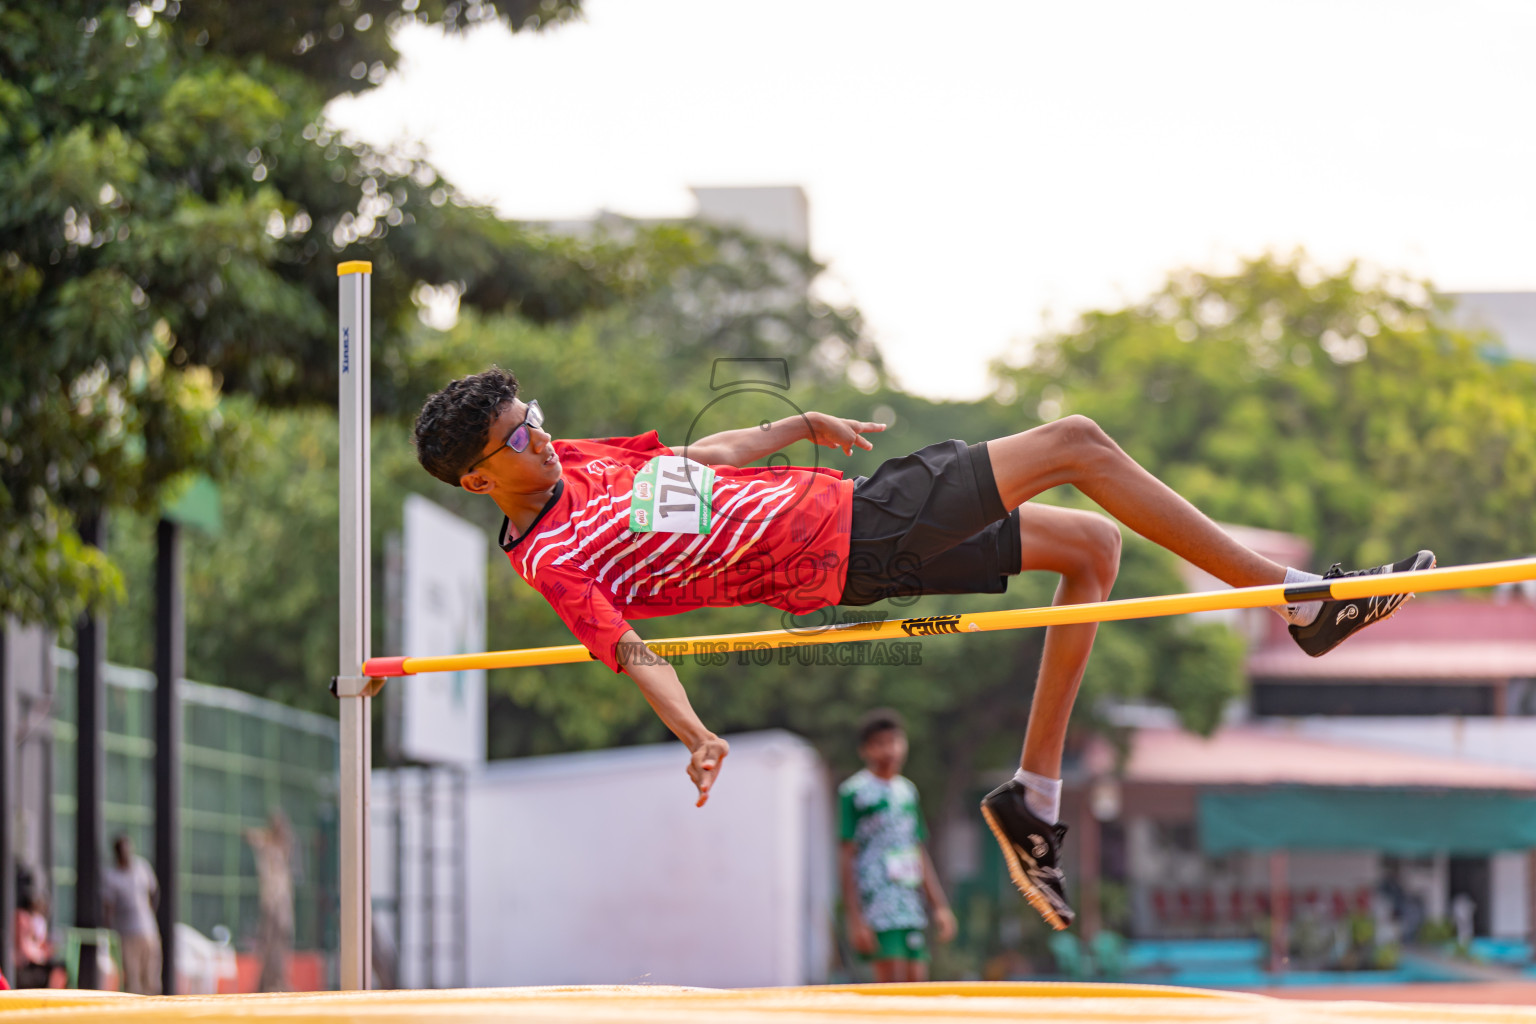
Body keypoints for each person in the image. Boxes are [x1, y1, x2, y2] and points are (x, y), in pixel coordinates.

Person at [411, 368, 1432, 929]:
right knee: (1076, 439)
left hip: (855, 523)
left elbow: (696, 462)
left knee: (1091, 547)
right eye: (513, 438)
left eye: (530, 416)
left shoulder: (577, 461)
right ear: (474, 480)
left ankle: (1033, 798)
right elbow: (634, 651)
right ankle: (1297, 602)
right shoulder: (554, 559)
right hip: (856, 539)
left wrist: (793, 425)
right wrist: (695, 732)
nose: (537, 436)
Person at [839, 709, 955, 981]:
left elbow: (918, 850)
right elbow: (847, 856)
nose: (888, 750)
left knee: (918, 981)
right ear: (865, 750)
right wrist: (855, 919)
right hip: (877, 904)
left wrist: (939, 905)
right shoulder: (855, 793)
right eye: (879, 744)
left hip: (909, 902)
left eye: (894, 741)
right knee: (889, 985)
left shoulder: (907, 792)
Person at [101, 834, 160, 994]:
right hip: (126, 935)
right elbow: (108, 907)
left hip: (148, 932)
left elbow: (153, 893)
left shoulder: (142, 867)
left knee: (151, 979)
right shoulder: (111, 877)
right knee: (132, 982)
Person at [245, 810, 295, 993]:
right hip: (271, 903)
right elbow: (250, 835)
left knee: (281, 944)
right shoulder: (267, 846)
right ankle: (267, 983)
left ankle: (278, 980)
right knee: (269, 944)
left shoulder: (282, 850)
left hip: (281, 903)